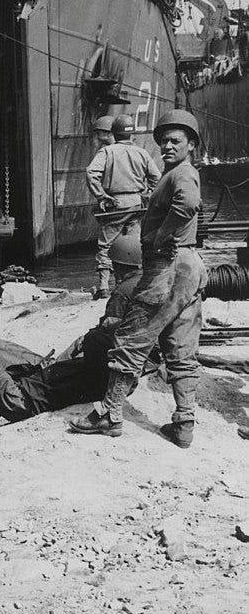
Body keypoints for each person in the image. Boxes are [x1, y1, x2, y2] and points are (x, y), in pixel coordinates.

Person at [70, 109, 206, 447]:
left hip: (167, 269)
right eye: (163, 142)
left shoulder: (182, 174)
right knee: (180, 344)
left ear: (191, 144)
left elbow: (187, 205)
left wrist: (161, 237)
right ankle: (184, 422)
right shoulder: (175, 172)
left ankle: (109, 414)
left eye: (175, 141)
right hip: (189, 268)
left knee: (132, 339)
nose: (167, 147)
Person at [0, 236, 145, 441]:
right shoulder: (114, 364)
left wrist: (89, 339)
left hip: (24, 399)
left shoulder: (103, 339)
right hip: (46, 379)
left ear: (118, 265)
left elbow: (94, 338)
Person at [84, 113, 162, 299]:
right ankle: (132, 285)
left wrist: (102, 195)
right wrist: (146, 194)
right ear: (131, 133)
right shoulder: (141, 152)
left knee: (106, 244)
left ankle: (104, 287)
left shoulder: (107, 152)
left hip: (115, 204)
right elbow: (156, 178)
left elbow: (91, 173)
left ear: (114, 132)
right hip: (136, 204)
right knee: (134, 244)